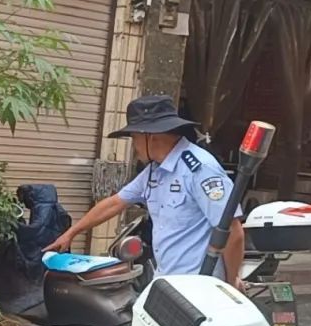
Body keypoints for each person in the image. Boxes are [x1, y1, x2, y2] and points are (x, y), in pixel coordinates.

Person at [45, 94, 246, 287]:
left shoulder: (199, 168)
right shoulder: (155, 170)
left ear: (151, 136)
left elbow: (232, 230)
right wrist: (71, 233)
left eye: (134, 138)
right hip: (166, 280)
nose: (134, 147)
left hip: (198, 285)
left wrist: (231, 282)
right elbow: (115, 203)